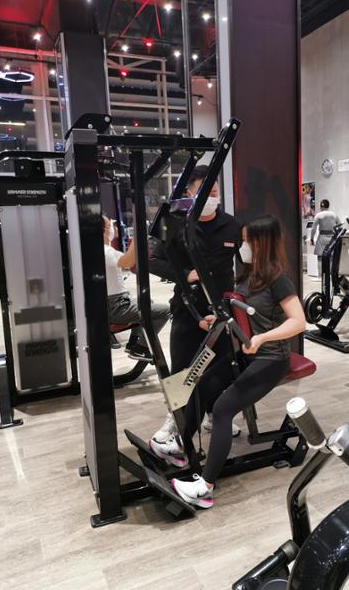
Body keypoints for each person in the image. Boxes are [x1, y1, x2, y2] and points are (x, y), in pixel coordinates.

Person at [151, 215, 306, 508]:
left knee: (222, 409)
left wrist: (262, 338)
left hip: (271, 358)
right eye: (242, 240)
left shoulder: (278, 280)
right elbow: (239, 311)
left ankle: (205, 488)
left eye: (248, 241)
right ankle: (181, 446)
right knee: (200, 386)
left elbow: (298, 322)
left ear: (263, 243)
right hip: (247, 355)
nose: (242, 246)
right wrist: (215, 319)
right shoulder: (248, 275)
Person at [148, 165, 242, 440]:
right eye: (205, 192)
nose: (212, 197)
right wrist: (184, 274)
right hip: (188, 307)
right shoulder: (176, 225)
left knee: (220, 365)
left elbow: (245, 262)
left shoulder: (232, 225)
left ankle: (214, 414)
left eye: (215, 191)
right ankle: (175, 419)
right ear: (189, 193)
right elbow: (151, 260)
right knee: (182, 367)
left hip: (222, 309)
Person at [103, 214, 170, 361]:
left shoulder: (105, 251)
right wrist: (138, 233)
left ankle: (133, 343)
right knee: (165, 311)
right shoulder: (105, 251)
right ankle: (141, 348)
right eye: (111, 225)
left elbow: (131, 265)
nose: (114, 228)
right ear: (105, 230)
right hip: (116, 305)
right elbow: (128, 262)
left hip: (117, 301)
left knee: (147, 302)